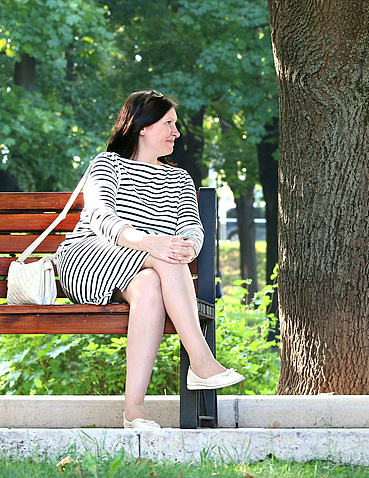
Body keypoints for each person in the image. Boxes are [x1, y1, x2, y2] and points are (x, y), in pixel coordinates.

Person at [56, 90, 244, 429]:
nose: (177, 132)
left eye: (176, 124)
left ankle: (134, 410)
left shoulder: (179, 178)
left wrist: (187, 247)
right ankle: (201, 362)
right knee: (164, 260)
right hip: (90, 257)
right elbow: (100, 217)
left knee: (153, 281)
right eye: (168, 123)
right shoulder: (107, 164)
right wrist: (150, 243)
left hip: (146, 268)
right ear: (142, 127)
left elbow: (191, 227)